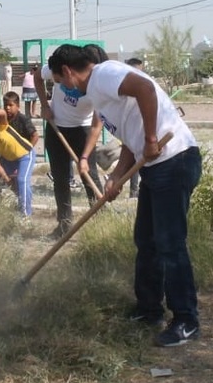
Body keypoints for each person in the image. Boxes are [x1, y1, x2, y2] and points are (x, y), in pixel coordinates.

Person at [48, 44, 202, 348]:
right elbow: (130, 138)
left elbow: (145, 89)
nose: (63, 88)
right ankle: (149, 309)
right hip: (155, 167)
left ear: (67, 71)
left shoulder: (104, 74)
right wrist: (117, 176)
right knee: (146, 240)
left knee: (170, 245)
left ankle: (186, 320)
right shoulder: (98, 93)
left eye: (59, 81)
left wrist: (152, 138)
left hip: (174, 160)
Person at [35, 62, 103, 238]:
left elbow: (97, 125)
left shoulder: (98, 83)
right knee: (60, 178)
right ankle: (64, 224)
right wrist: (44, 105)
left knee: (90, 176)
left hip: (83, 131)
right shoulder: (58, 68)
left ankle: (102, 224)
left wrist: (85, 157)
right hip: (56, 127)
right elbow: (37, 76)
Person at [125, 58, 146, 198]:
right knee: (135, 160)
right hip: (133, 130)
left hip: (143, 128)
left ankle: (135, 190)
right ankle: (133, 190)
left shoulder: (142, 85)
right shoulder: (127, 89)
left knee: (139, 161)